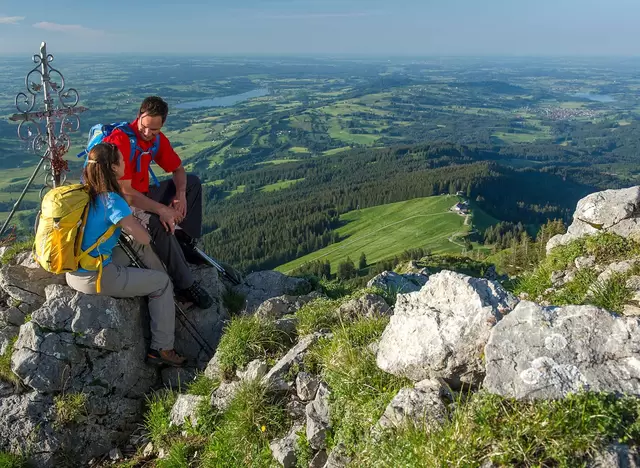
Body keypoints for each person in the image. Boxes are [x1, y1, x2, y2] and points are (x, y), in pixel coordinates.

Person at [66, 143, 186, 367]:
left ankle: (166, 304)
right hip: (96, 278)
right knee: (161, 283)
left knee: (139, 251)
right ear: (112, 168)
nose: (126, 164)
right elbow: (144, 238)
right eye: (122, 161)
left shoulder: (85, 193)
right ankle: (162, 348)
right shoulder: (113, 201)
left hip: (74, 269)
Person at [103, 96, 213, 309]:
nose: (147, 134)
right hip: (121, 202)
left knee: (192, 183)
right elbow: (126, 193)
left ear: (162, 124)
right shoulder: (121, 141)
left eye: (154, 130)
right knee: (157, 223)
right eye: (145, 127)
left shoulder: (157, 140)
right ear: (139, 116)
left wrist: (180, 194)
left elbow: (178, 169)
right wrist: (162, 210)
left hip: (143, 192)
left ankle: (184, 242)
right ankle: (186, 284)